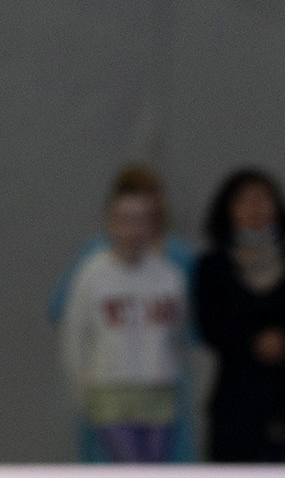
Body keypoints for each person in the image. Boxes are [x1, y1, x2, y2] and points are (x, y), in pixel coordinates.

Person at [190, 168, 285, 463]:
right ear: (227, 209)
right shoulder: (212, 266)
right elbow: (209, 326)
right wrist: (253, 342)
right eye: (244, 201)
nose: (255, 209)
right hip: (239, 406)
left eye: (262, 199)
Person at [48, 165, 199, 462]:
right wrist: (82, 385)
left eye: (145, 215)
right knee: (121, 469)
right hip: (110, 386)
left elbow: (188, 331)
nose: (135, 228)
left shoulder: (174, 266)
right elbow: (66, 318)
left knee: (160, 471)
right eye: (126, 217)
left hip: (161, 388)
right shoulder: (93, 265)